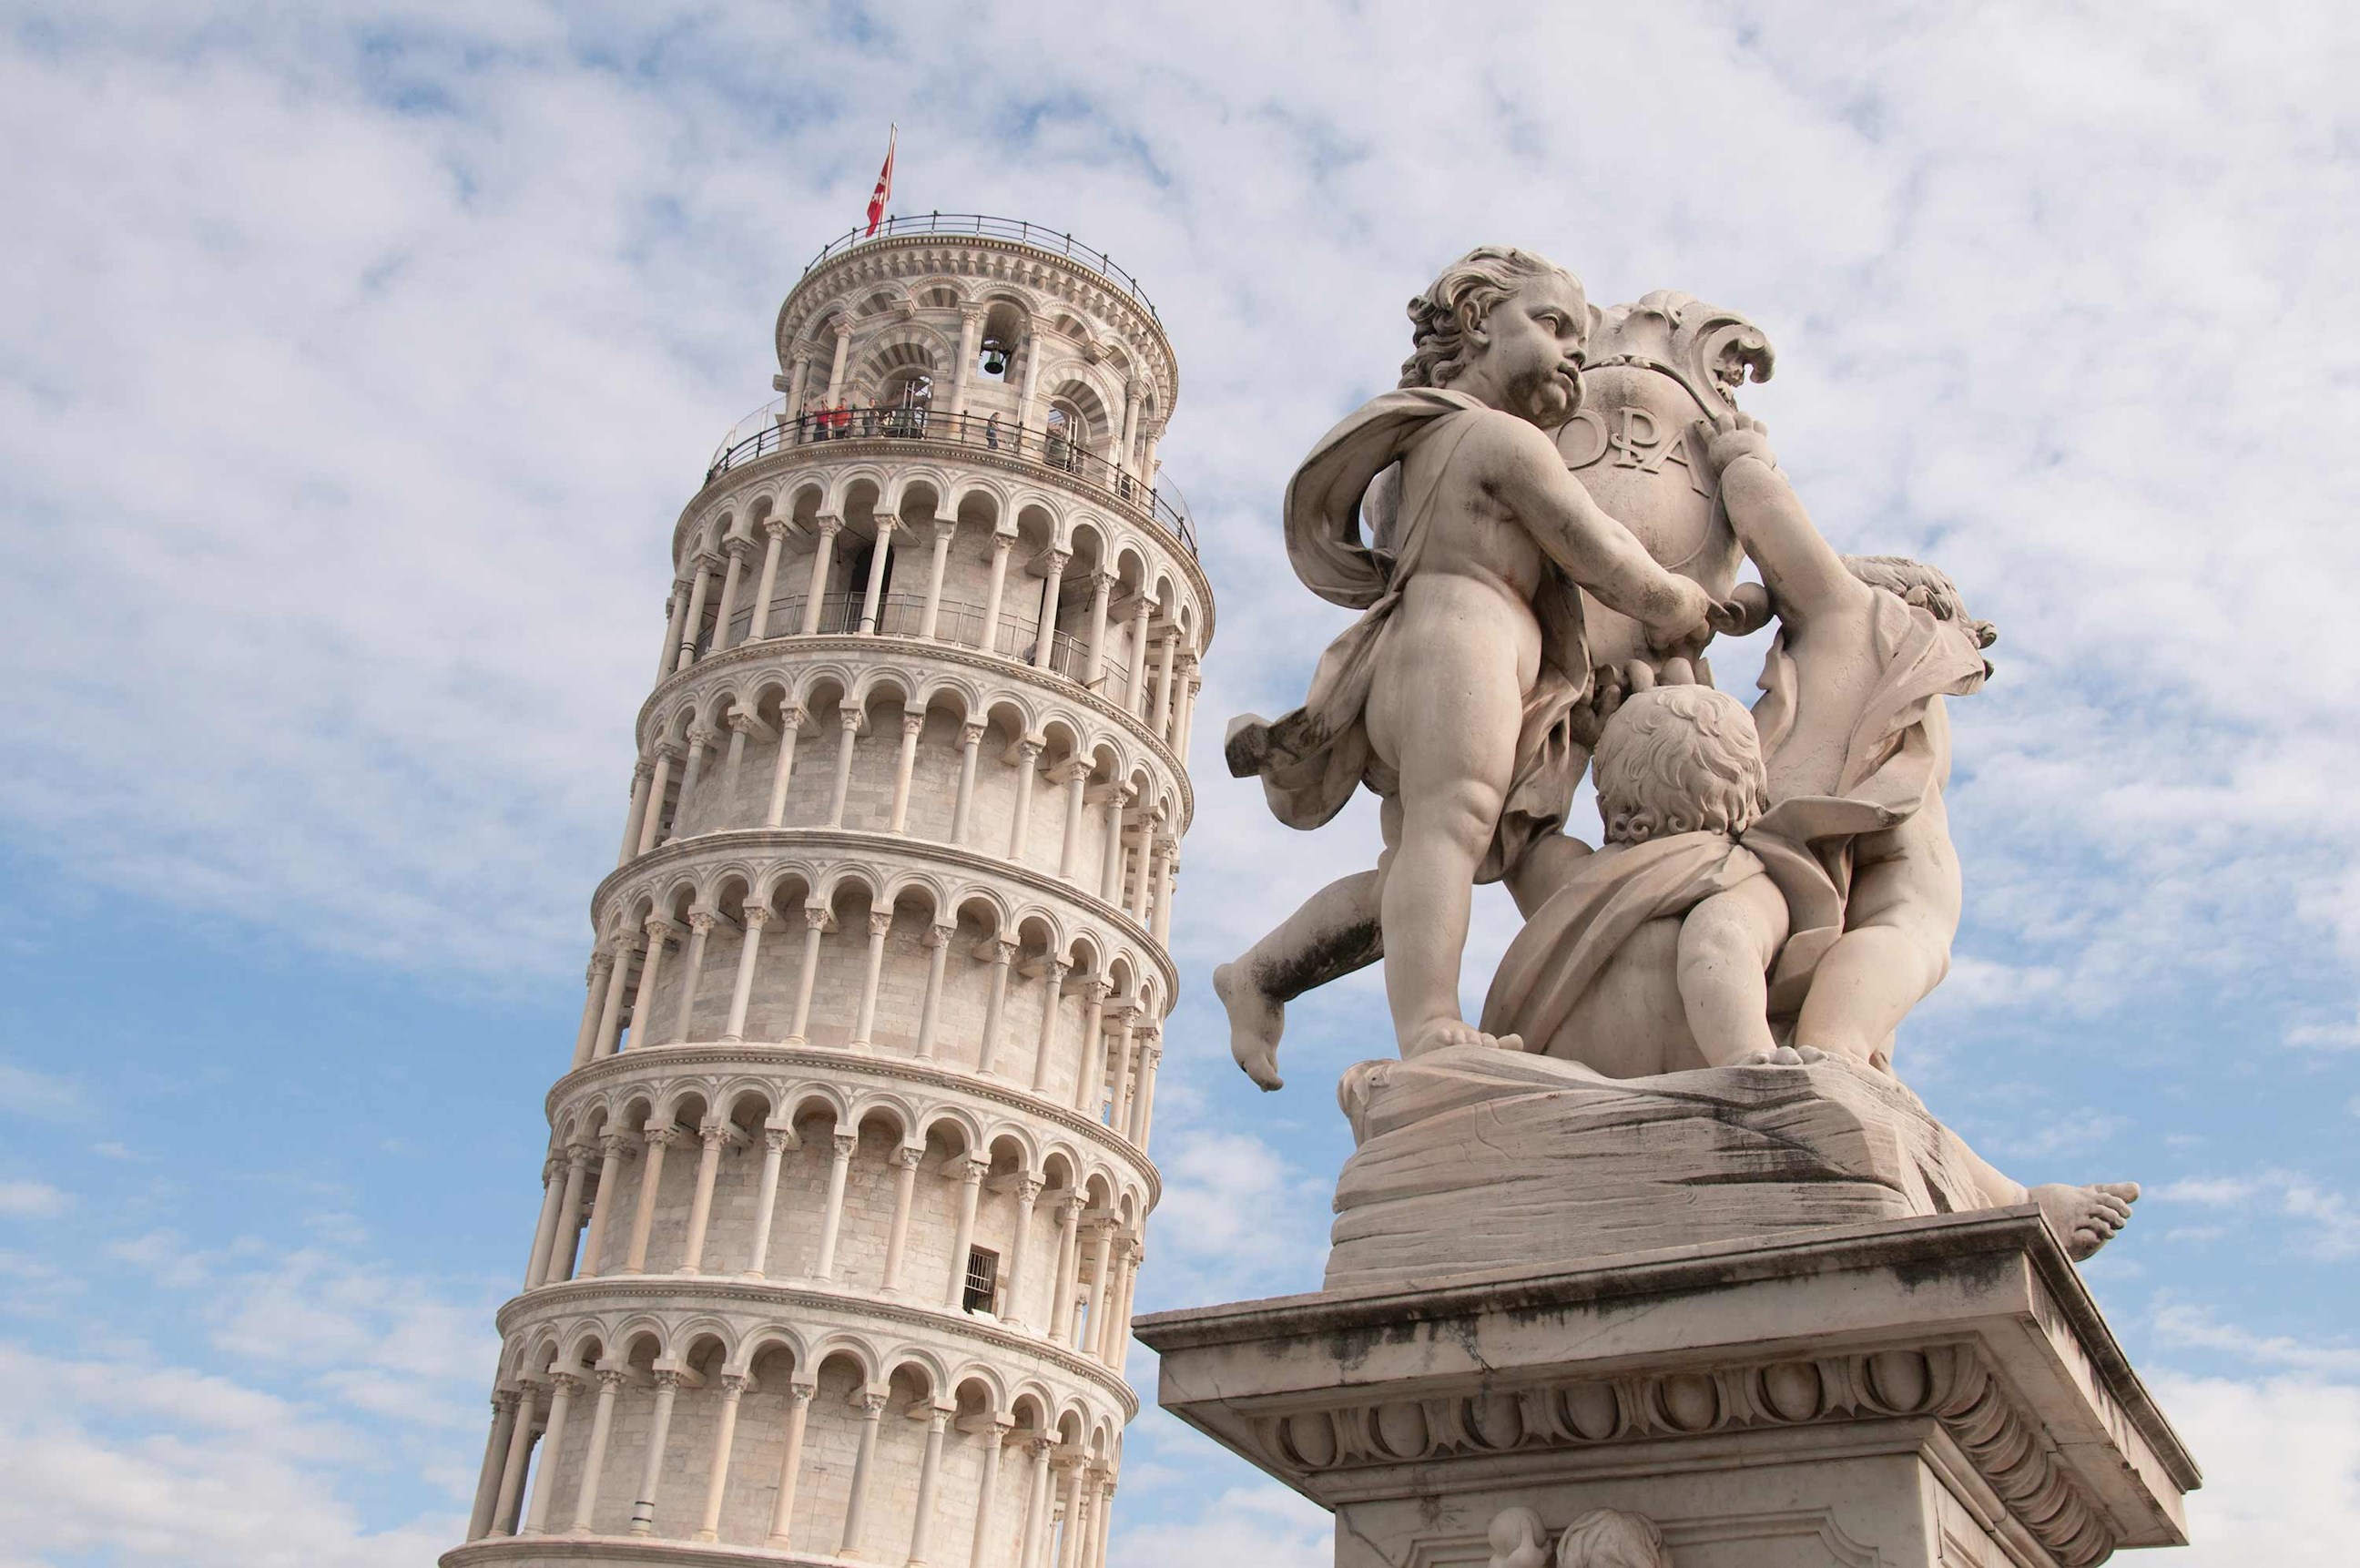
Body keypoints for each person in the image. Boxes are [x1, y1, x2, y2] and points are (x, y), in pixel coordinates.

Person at [1223, 246, 1732, 1064]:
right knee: (1445, 836)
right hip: (1463, 646)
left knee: (1416, 870)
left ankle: (1261, 972)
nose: (1573, 352)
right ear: (1476, 324)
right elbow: (1598, 548)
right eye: (1552, 324)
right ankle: (1429, 1027)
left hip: (1447, 654)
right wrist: (1677, 601)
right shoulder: (1499, 439)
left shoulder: (1421, 447)